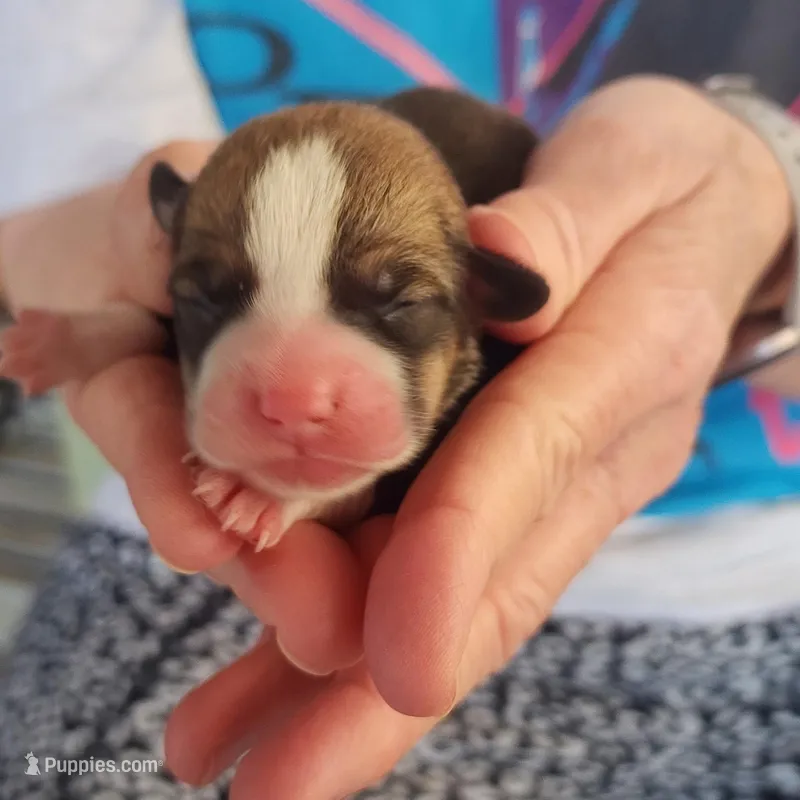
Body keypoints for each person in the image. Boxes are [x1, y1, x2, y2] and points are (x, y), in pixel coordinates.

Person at [1, 1, 799, 798]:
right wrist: (84, 291)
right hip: (188, 573)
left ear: (483, 293)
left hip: (753, 585)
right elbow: (53, 202)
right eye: (216, 298)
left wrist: (766, 232)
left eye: (394, 305)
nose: (296, 393)